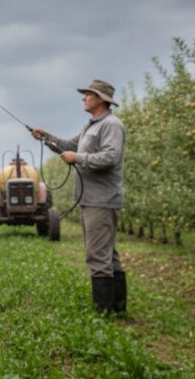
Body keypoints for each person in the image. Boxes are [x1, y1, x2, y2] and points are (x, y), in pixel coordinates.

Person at [30, 79, 126, 314]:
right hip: (91, 199)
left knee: (98, 255)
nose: (83, 98)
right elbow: (68, 146)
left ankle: (103, 312)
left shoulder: (111, 125)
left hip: (101, 200)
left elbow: (111, 157)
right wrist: (46, 137)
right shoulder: (89, 126)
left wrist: (79, 158)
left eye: (88, 94)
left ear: (100, 99)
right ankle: (117, 308)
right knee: (107, 253)